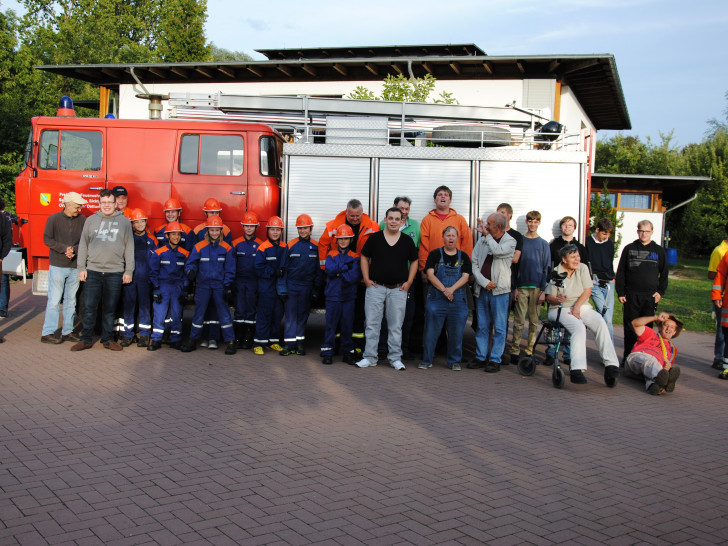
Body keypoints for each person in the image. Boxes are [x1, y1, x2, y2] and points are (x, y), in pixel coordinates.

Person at [545, 244, 620, 386]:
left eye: (578, 256)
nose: (577, 259)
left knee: (600, 322)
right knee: (578, 327)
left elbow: (587, 291)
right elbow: (549, 297)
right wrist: (558, 299)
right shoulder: (556, 271)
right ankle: (576, 369)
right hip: (560, 308)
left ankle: (611, 365)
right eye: (573, 257)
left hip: (580, 305)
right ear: (564, 259)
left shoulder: (583, 268)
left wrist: (577, 308)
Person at [72, 189, 134, 351]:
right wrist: (81, 267)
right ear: (99, 204)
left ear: (115, 204)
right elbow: (83, 245)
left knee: (109, 309)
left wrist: (129, 271)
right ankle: (86, 339)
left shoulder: (125, 222)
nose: (107, 206)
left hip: (115, 272)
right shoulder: (91, 220)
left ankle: (108, 339)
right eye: (103, 203)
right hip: (92, 271)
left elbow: (129, 247)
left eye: (109, 203)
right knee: (89, 307)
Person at [356, 207, 418, 370]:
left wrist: (409, 281)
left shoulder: (407, 241)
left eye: (397, 219)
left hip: (398, 289)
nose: (393, 221)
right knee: (372, 324)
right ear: (385, 220)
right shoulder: (375, 238)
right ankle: (370, 357)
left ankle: (395, 358)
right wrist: (367, 279)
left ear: (402, 221)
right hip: (376, 287)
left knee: (396, 325)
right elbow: (364, 256)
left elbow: (414, 261)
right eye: (390, 218)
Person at [319, 199, 379, 350]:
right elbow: (322, 244)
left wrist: (369, 272)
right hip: (339, 276)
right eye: (351, 215)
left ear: (362, 212)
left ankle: (356, 346)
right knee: (338, 317)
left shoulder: (373, 226)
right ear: (346, 212)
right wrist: (324, 268)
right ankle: (338, 345)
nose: (354, 218)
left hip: (361, 275)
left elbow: (379, 250)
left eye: (357, 215)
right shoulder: (333, 225)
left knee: (358, 314)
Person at [180, 215, 236, 354]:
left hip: (219, 286)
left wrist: (228, 286)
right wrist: (190, 271)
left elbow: (230, 268)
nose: (215, 233)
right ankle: (193, 340)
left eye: (217, 230)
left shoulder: (227, 248)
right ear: (207, 231)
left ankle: (230, 342)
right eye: (212, 230)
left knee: (224, 314)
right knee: (198, 314)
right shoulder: (199, 247)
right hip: (202, 285)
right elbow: (191, 263)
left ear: (221, 231)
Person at [418, 226, 472, 371]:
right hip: (437, 299)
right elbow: (430, 274)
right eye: (448, 235)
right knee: (431, 331)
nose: (450, 238)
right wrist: (444, 290)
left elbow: (466, 277)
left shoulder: (464, 257)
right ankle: (427, 360)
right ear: (443, 238)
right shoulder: (435, 254)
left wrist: (451, 290)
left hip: (458, 300)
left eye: (453, 235)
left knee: (456, 333)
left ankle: (454, 361)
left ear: (457, 238)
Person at [616, 220, 669, 363]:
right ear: (637, 231)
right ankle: (628, 358)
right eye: (641, 231)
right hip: (631, 296)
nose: (644, 234)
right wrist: (620, 292)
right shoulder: (629, 249)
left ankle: (643, 357)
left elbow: (664, 274)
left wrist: (660, 292)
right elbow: (621, 272)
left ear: (652, 232)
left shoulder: (658, 251)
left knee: (646, 330)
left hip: (649, 297)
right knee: (630, 327)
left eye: (647, 231)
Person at [470, 212, 516, 373]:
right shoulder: (482, 240)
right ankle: (481, 357)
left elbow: (497, 251)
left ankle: (495, 359)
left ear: (497, 226)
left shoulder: (510, 241)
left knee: (500, 326)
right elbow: (474, 263)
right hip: (482, 290)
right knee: (482, 326)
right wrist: (483, 282)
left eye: (489, 224)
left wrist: (487, 236)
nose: (486, 226)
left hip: (500, 291)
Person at [39, 192, 88, 344]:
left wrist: (74, 249)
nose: (79, 209)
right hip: (58, 265)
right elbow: (47, 239)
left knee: (71, 300)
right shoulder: (53, 219)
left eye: (80, 206)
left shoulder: (82, 220)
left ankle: (68, 331)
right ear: (67, 204)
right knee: (54, 300)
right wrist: (64, 248)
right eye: (76, 206)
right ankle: (48, 332)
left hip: (74, 266)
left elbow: (86, 241)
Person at [507, 210, 550, 363]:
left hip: (537, 288)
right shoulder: (521, 241)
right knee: (518, 321)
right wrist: (516, 287)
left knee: (533, 321)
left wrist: (544, 290)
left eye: (535, 221)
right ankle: (514, 351)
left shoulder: (544, 244)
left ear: (539, 223)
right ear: (526, 222)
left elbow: (546, 268)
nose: (532, 224)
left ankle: (530, 351)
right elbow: (515, 266)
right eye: (530, 221)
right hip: (522, 286)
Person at [545, 215, 589, 366]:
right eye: (565, 225)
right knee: (555, 322)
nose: (567, 227)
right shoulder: (553, 245)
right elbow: (548, 266)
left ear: (574, 228)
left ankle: (569, 354)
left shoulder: (580, 247)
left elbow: (584, 267)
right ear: (561, 227)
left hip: (573, 287)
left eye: (570, 225)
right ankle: (551, 352)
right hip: (557, 285)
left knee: (573, 321)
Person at [278, 214, 323, 356]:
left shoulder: (316, 247)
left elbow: (318, 271)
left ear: (311, 228)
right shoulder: (290, 245)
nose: (303, 231)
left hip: (307, 287)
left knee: (302, 315)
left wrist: (316, 289)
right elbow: (283, 269)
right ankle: (288, 345)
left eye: (305, 228)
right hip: (292, 286)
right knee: (290, 316)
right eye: (300, 228)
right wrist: (282, 288)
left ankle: (299, 344)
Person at [321, 225, 362, 365]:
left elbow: (354, 277)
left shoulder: (355, 256)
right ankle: (327, 352)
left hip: (348, 297)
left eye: (346, 238)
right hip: (333, 296)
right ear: (336, 240)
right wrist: (344, 268)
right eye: (340, 238)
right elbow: (329, 270)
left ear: (351, 239)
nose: (343, 241)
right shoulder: (331, 254)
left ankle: (347, 353)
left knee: (347, 326)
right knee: (331, 326)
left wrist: (338, 273)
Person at [118, 209, 157, 347]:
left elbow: (155, 261)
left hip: (145, 279)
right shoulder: (127, 238)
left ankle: (145, 335)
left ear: (146, 222)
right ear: (132, 224)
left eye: (142, 221)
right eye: (136, 222)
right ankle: (128, 335)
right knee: (129, 307)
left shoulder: (152, 239)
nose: (140, 224)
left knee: (145, 307)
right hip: (130, 278)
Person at [148, 222, 189, 351]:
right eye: (173, 234)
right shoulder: (159, 252)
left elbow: (186, 273)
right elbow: (153, 272)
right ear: (167, 236)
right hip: (163, 286)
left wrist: (185, 290)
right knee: (160, 314)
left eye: (178, 234)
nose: (176, 237)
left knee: (177, 314)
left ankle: (175, 339)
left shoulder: (185, 253)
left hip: (178, 286)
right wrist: (156, 288)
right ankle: (156, 340)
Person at [418, 185, 472, 276]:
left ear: (450, 200)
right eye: (439, 194)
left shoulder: (460, 219)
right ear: (435, 200)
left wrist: (466, 267)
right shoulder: (427, 220)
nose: (443, 196)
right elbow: (423, 246)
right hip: (433, 268)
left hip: (456, 267)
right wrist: (424, 268)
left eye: (446, 195)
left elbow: (467, 244)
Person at [624, 312, 682, 395]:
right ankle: (665, 382)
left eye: (672, 327)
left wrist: (667, 368)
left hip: (648, 371)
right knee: (651, 361)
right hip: (636, 360)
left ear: (674, 332)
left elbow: (664, 370)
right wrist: (656, 318)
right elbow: (635, 323)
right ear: (659, 327)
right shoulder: (650, 334)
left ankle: (655, 387)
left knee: (654, 372)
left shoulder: (673, 350)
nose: (669, 328)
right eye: (666, 325)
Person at [253, 216, 287, 354]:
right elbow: (258, 268)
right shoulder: (263, 247)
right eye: (272, 230)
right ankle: (259, 343)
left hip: (279, 288)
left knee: (277, 314)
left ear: (281, 231)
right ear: (268, 231)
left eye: (277, 230)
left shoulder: (285, 247)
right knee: (264, 315)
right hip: (266, 287)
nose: (275, 233)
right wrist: (273, 272)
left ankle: (273, 341)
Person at [231, 212, 262, 350]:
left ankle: (248, 338)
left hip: (253, 282)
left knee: (250, 309)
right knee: (239, 309)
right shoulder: (235, 244)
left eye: (252, 226)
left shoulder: (261, 245)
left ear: (256, 227)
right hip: (239, 281)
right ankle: (238, 337)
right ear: (243, 227)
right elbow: (231, 265)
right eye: (247, 226)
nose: (249, 228)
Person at [585, 217, 616, 340]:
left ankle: (608, 350)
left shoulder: (609, 243)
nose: (605, 236)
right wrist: (589, 279)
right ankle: (608, 350)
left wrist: (612, 277)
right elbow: (585, 263)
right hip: (594, 281)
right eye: (603, 233)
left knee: (608, 318)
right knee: (605, 316)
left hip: (608, 281)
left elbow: (610, 261)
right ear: (597, 229)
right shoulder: (587, 242)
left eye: (608, 234)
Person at [707, 222, 728, 369]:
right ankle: (720, 358)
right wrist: (717, 295)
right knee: (723, 330)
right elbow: (715, 275)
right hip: (724, 298)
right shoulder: (720, 251)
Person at [0, 197, 12, 320]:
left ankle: (2, 309)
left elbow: (7, 238)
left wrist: (1, 257)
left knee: (3, 282)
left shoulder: (3, 218)